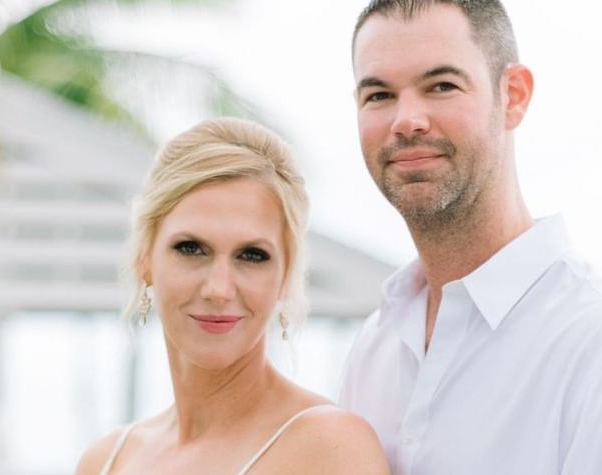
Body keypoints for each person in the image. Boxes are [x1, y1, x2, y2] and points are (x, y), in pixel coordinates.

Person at [338, 1, 602, 474]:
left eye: (442, 86)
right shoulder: (374, 347)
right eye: (379, 95)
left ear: (513, 95)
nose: (407, 120)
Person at [76, 117, 390, 475]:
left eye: (252, 256)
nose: (219, 289)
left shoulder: (328, 447)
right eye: (191, 248)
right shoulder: (107, 460)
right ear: (144, 261)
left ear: (286, 275)